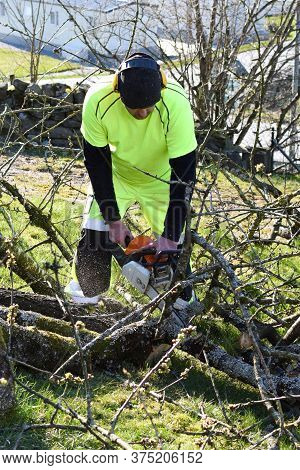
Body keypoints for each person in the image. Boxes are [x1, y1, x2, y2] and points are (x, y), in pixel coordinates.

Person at [65, 52, 197, 305]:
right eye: (134, 108)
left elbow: (184, 175)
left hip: (163, 180)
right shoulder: (98, 100)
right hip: (117, 175)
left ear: (162, 87)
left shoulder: (176, 104)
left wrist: (169, 236)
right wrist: (113, 219)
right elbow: (97, 164)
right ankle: (87, 295)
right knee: (95, 230)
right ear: (118, 91)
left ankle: (181, 302)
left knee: (175, 246)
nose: (142, 114)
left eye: (149, 107)